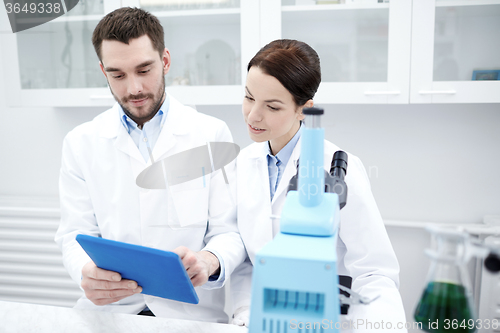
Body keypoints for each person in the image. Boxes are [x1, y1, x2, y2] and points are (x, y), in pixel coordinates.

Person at [54, 7, 245, 322]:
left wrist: (209, 260)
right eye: (118, 75)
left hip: (189, 315)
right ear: (104, 72)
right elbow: (74, 233)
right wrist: (87, 271)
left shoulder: (211, 134)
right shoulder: (81, 142)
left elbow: (230, 231)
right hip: (111, 312)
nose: (134, 89)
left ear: (165, 61)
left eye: (144, 70)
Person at [230, 39, 408, 330]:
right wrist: (245, 315)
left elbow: (375, 272)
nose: (253, 115)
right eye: (249, 97)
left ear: (305, 109)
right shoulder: (242, 163)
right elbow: (250, 262)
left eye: (272, 107)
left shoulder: (338, 168)